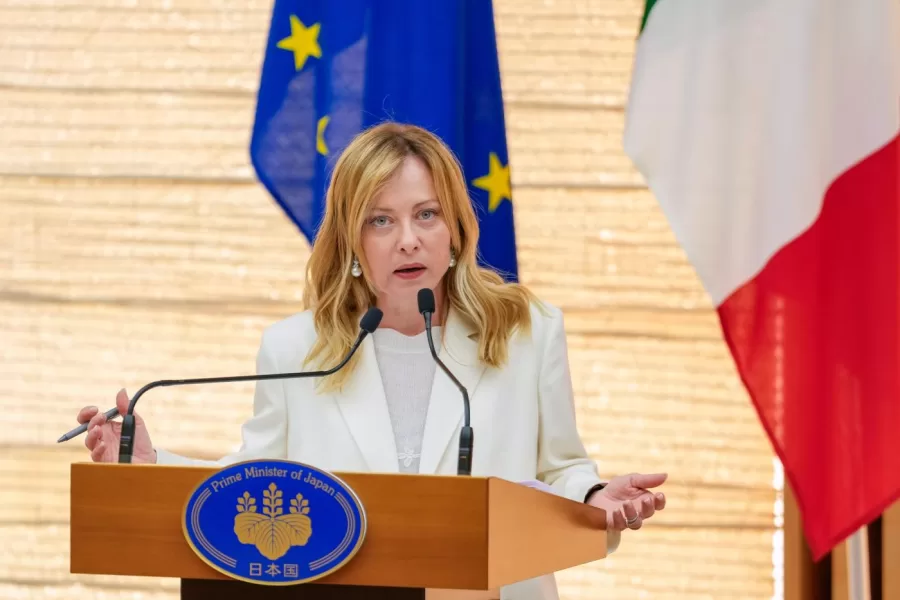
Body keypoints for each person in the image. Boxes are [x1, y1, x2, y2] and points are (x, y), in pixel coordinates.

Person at [75, 122, 667, 600]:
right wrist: (149, 464)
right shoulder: (296, 349)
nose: (408, 238)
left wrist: (593, 496)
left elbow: (560, 466)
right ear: (352, 243)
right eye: (380, 221)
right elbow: (254, 483)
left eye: (426, 214)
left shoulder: (526, 331)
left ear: (456, 229)